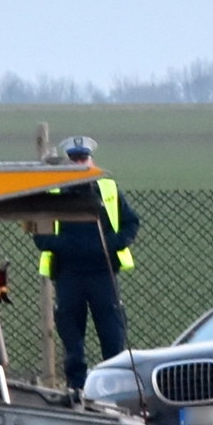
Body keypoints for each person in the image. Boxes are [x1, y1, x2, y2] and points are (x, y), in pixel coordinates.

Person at [34, 136, 140, 395]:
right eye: (74, 159)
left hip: (103, 274)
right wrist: (61, 245)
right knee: (72, 339)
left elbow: (131, 223)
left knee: (112, 336)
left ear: (91, 160)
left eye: (83, 158)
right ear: (67, 162)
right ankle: (77, 388)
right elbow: (39, 232)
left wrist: (112, 243)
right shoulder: (55, 191)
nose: (80, 163)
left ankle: (113, 389)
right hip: (68, 275)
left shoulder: (108, 189)